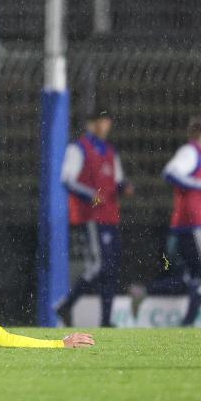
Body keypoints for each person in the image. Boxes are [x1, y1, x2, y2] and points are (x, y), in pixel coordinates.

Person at [131, 117, 201, 326]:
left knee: (190, 278)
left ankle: (144, 291)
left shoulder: (200, 156)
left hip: (189, 225)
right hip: (194, 225)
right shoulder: (191, 152)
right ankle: (187, 324)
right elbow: (170, 172)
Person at [55, 109, 133, 327]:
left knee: (110, 268)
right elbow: (68, 180)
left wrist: (123, 186)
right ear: (93, 123)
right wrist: (92, 196)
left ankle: (106, 320)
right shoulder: (78, 148)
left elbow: (115, 180)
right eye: (102, 121)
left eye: (108, 121)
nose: (105, 125)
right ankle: (65, 305)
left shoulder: (109, 150)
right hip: (91, 216)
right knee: (98, 266)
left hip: (110, 216)